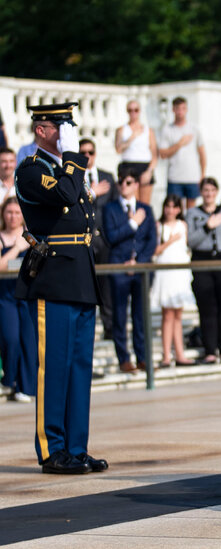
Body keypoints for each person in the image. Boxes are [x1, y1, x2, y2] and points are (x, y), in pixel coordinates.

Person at [14, 102, 106, 474]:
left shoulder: (68, 169)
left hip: (80, 278)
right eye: (60, 126)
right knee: (53, 368)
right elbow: (67, 196)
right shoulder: (32, 171)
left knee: (79, 367)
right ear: (42, 130)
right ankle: (52, 449)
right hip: (53, 278)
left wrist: (71, 158)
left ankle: (76, 445)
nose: (67, 133)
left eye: (69, 126)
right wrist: (72, 154)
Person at [103, 170, 157, 373]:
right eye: (121, 182)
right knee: (119, 315)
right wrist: (133, 223)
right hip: (118, 267)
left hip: (141, 269)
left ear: (136, 185)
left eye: (128, 182)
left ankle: (143, 357)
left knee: (140, 314)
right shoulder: (110, 209)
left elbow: (152, 240)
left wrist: (139, 261)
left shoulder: (146, 209)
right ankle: (123, 358)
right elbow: (111, 236)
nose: (124, 185)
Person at [186, 177, 221, 364]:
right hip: (202, 263)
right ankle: (210, 350)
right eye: (205, 190)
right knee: (207, 308)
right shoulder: (193, 213)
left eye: (212, 190)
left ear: (216, 192)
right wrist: (207, 226)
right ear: (201, 192)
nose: (209, 194)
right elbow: (190, 241)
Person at [151, 195, 196, 367]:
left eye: (174, 207)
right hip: (166, 271)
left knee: (178, 314)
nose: (170, 210)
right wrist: (170, 240)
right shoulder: (159, 226)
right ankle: (166, 356)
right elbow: (155, 250)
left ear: (179, 209)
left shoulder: (182, 225)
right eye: (167, 207)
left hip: (180, 272)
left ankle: (179, 354)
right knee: (167, 315)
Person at [80, 139, 118, 339]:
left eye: (90, 152)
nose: (87, 156)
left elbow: (114, 209)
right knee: (84, 285)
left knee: (106, 286)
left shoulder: (107, 177)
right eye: (83, 152)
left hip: (104, 240)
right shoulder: (73, 178)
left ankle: (109, 327)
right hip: (82, 241)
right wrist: (92, 193)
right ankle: (87, 327)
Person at [0, 197, 32, 402]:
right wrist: (17, 248)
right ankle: (9, 379)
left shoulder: (30, 236)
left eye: (17, 212)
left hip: (27, 293)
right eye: (9, 212)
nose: (13, 216)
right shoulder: (3, 237)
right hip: (6, 296)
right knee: (11, 338)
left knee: (29, 341)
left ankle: (26, 387)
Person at [158, 97, 206, 210]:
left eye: (183, 108)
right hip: (174, 177)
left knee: (191, 209)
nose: (180, 111)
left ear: (187, 109)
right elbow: (163, 154)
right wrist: (179, 144)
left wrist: (202, 174)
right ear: (173, 110)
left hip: (192, 176)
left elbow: (202, 153)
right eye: (178, 109)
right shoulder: (167, 129)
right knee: (175, 208)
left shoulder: (194, 129)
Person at [114, 100, 158, 204]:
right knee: (130, 200)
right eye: (130, 110)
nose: (133, 113)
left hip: (144, 166)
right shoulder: (121, 130)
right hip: (128, 166)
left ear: (139, 111)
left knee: (144, 203)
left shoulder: (148, 130)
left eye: (136, 110)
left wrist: (149, 171)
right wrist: (131, 138)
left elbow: (154, 154)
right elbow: (118, 149)